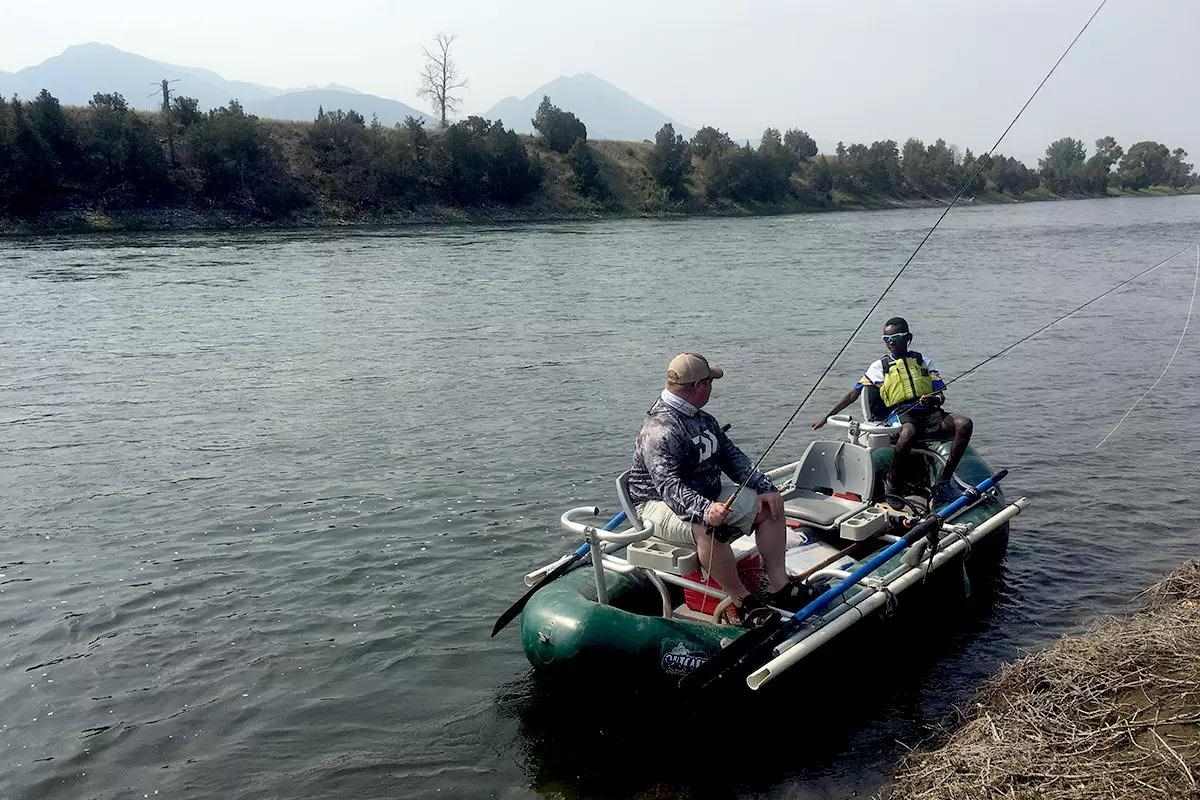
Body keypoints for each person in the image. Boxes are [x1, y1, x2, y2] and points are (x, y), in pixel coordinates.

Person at [627, 352, 804, 626]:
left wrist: (765, 487)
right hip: (657, 506)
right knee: (706, 526)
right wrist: (705, 509)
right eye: (710, 381)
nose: (712, 387)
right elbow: (668, 486)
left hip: (707, 494)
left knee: (769, 504)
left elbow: (732, 457)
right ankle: (743, 601)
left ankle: (779, 585)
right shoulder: (660, 430)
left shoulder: (702, 419)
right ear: (699, 386)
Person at [812, 317, 973, 507]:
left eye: (895, 338)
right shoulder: (879, 367)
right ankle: (893, 485)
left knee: (964, 423)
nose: (890, 343)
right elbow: (853, 394)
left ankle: (943, 482)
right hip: (902, 415)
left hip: (930, 413)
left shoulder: (924, 362)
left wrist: (933, 399)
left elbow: (940, 394)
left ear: (908, 338)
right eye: (886, 339)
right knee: (908, 432)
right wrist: (827, 415)